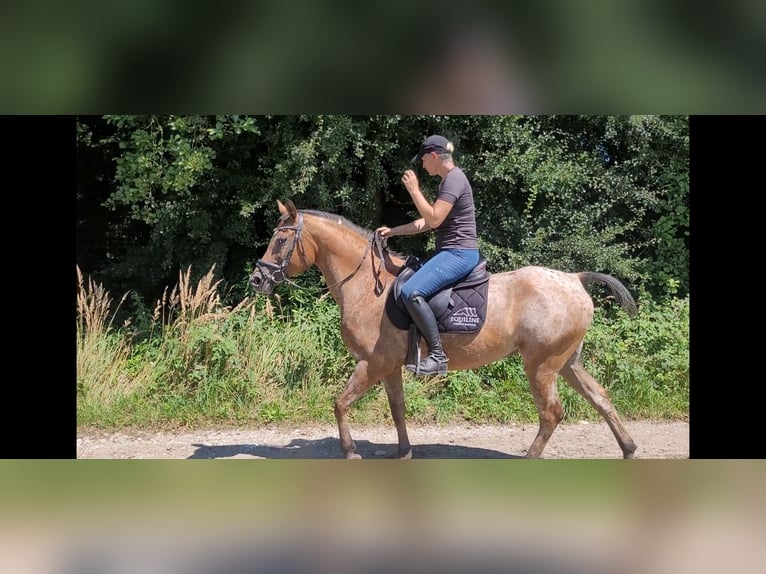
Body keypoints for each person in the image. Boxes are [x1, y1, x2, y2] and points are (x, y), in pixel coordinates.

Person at [376, 135, 480, 376]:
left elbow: (433, 219)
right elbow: (429, 221)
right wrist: (393, 231)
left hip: (459, 253)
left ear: (433, 156)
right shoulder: (449, 180)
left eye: (423, 159)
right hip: (452, 252)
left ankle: (437, 355)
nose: (422, 165)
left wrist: (414, 191)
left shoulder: (454, 180)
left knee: (410, 291)